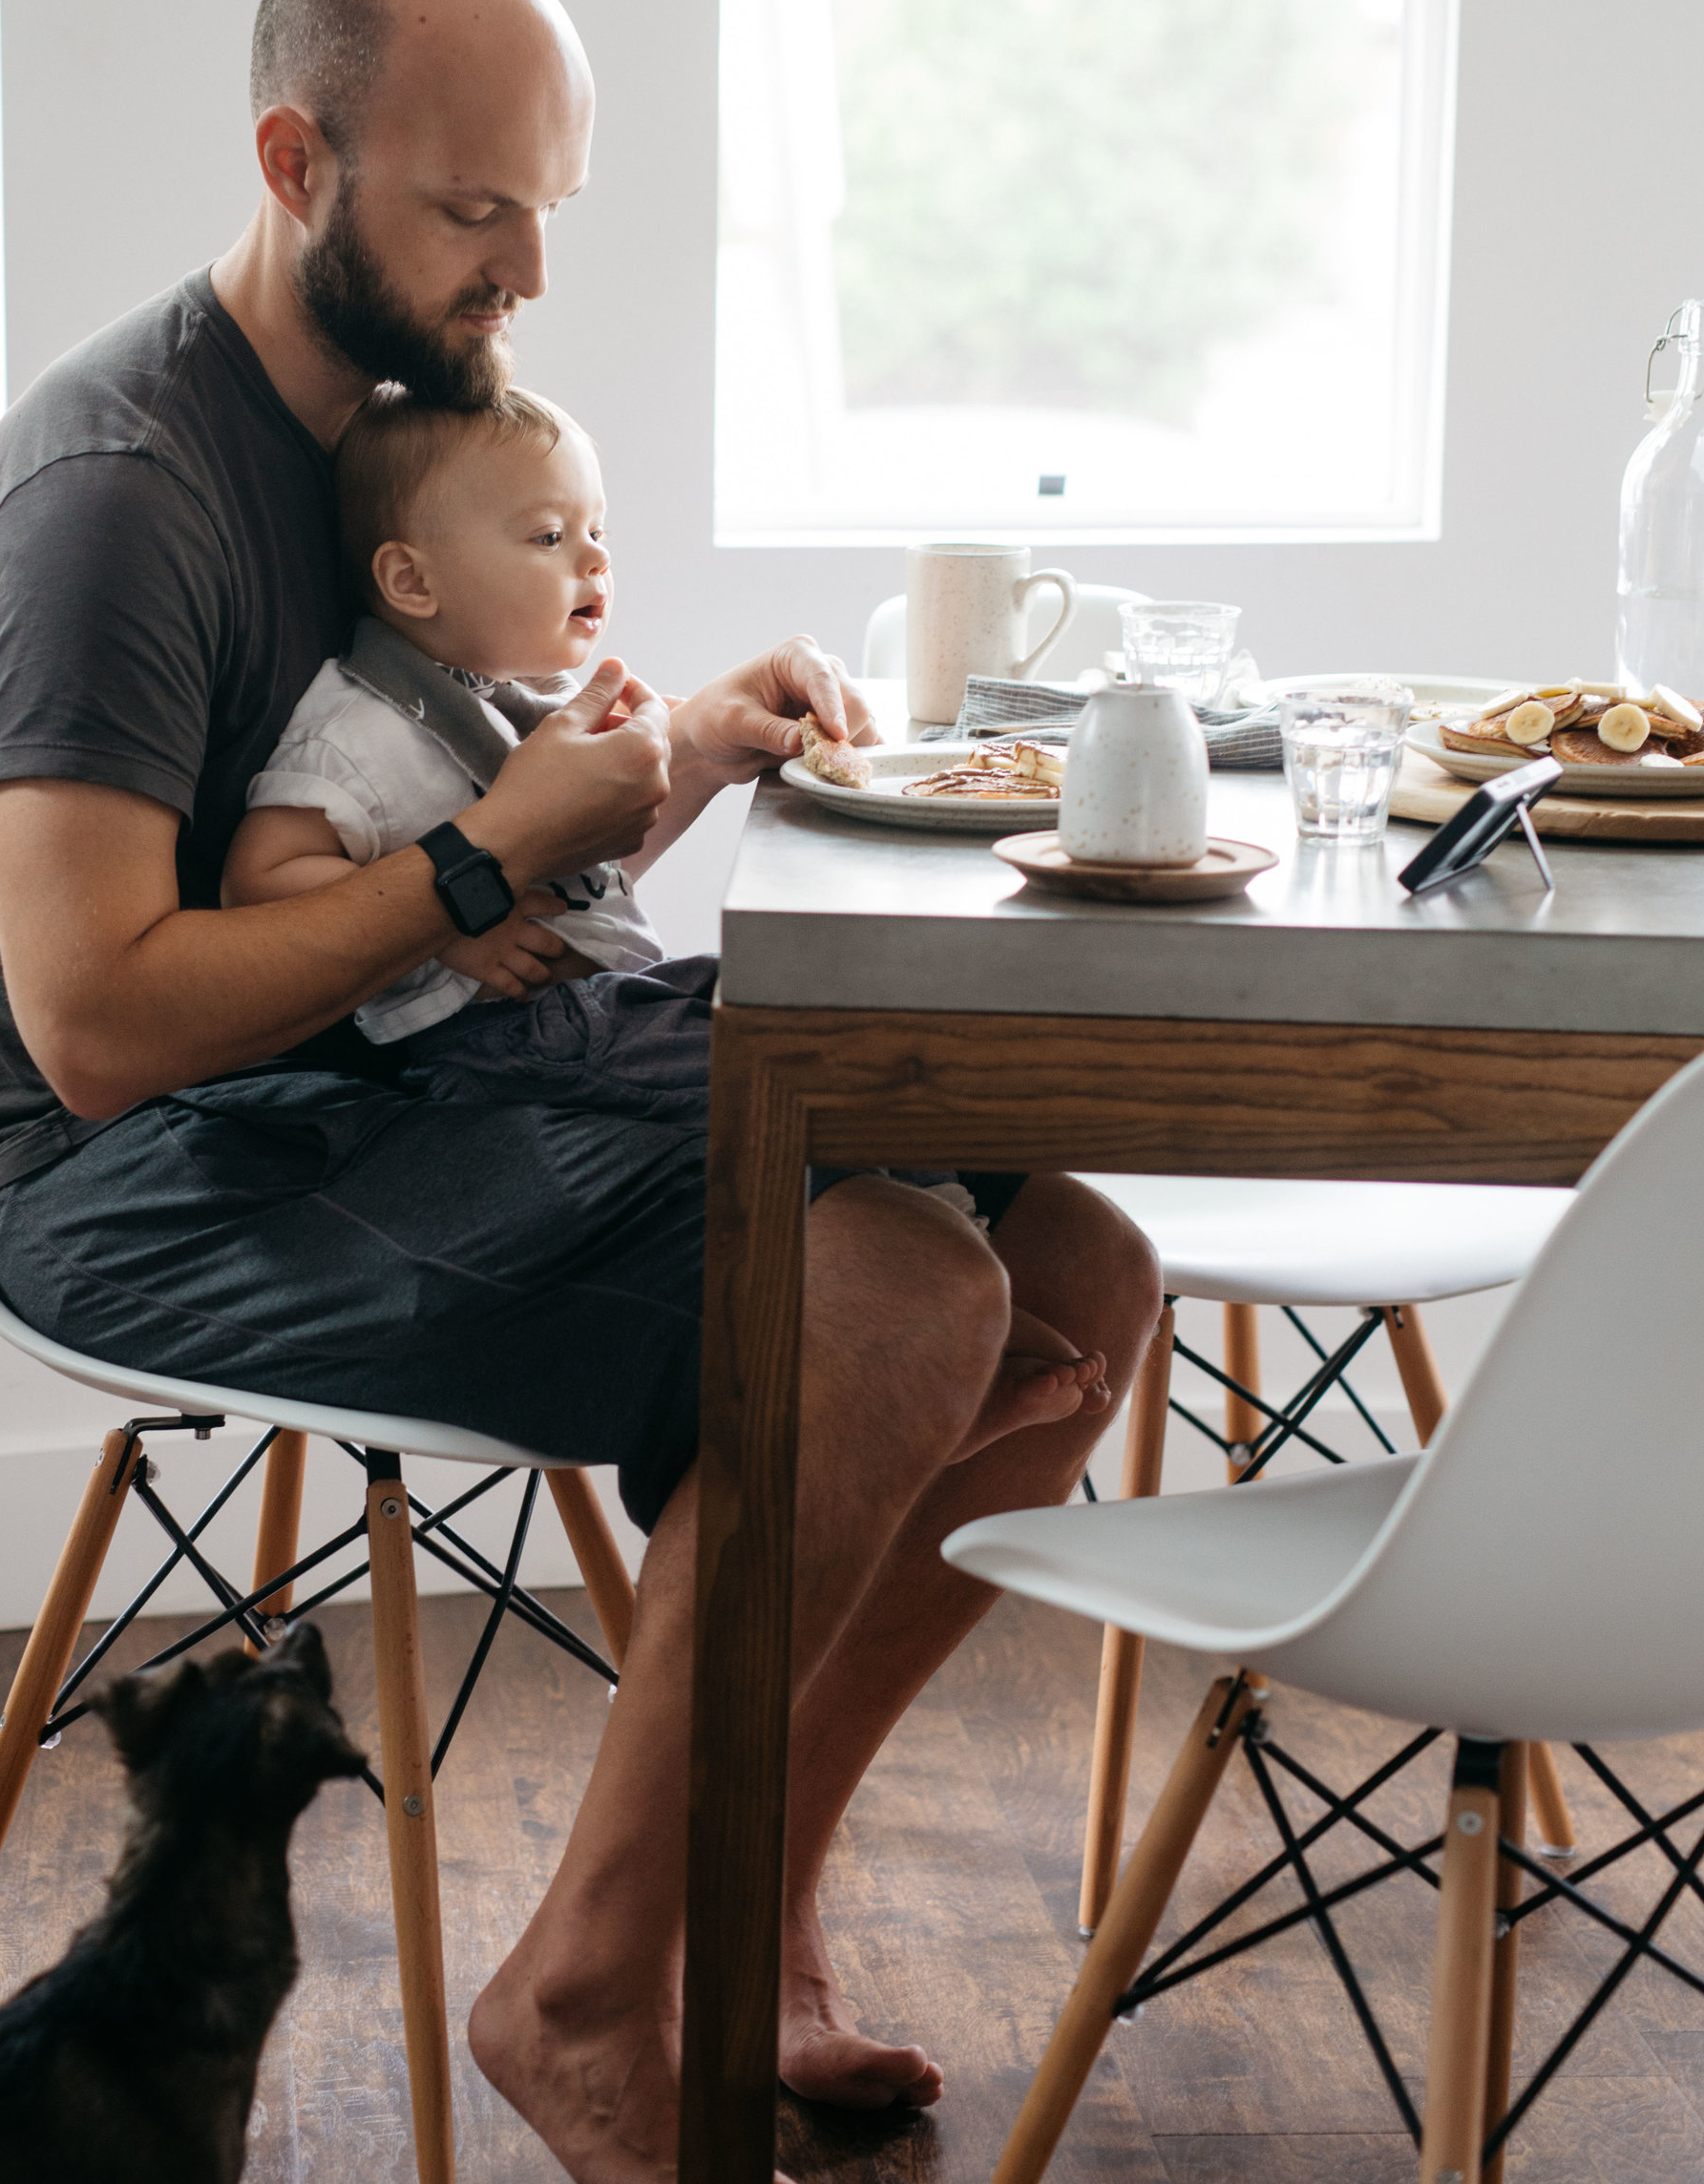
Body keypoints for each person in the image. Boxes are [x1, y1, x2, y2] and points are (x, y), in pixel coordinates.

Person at [0, 0, 1161, 2184]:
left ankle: (747, 1909)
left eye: (546, 210)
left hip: (403, 1073)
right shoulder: (119, 492)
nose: (524, 273)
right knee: (896, 1283)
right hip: (169, 1163)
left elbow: (449, 837)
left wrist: (665, 753)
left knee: (1076, 1256)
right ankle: (585, 1995)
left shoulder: (382, 429)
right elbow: (96, 1024)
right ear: (296, 163)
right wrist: (494, 853)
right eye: (473, 211)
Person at [222, 372, 1111, 1443]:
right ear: (410, 578)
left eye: (596, 530)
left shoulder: (504, 699)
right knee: (780, 1066)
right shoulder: (354, 731)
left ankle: (950, 1325)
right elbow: (259, 881)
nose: (594, 561)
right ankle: (941, 1359)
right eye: (548, 536)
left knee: (811, 1029)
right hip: (497, 1050)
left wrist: (703, 737)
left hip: (587, 1016)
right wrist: (451, 918)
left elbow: (592, 851)